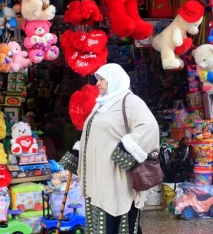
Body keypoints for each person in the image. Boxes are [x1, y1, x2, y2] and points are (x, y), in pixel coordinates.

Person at [60, 63, 160, 234]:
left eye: (102, 80)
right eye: (98, 79)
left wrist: (126, 150)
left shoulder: (130, 101)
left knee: (119, 219)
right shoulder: (102, 105)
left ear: (114, 80)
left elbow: (149, 126)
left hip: (117, 176)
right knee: (100, 219)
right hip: (100, 176)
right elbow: (95, 133)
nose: (97, 84)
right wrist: (78, 152)